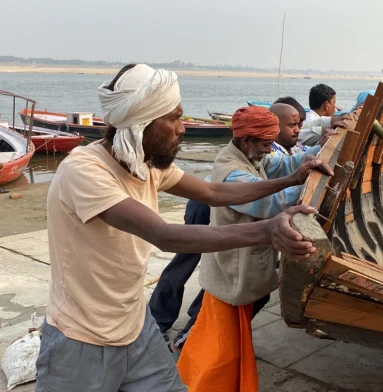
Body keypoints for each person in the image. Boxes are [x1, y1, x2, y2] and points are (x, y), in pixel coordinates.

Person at [35, 64, 325, 392]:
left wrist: (291, 179)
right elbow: (164, 235)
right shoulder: (84, 172)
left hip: (135, 325)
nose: (182, 128)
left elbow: (214, 192)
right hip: (81, 340)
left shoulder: (144, 164)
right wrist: (266, 231)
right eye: (173, 118)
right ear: (141, 123)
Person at [149, 100, 325, 354]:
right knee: (212, 298)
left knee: (243, 303)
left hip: (240, 254)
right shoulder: (232, 170)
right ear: (247, 141)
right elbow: (268, 203)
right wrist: (308, 187)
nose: (269, 150)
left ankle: (209, 345)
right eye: (265, 144)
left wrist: (318, 152)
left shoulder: (253, 156)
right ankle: (186, 342)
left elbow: (282, 164)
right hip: (228, 251)